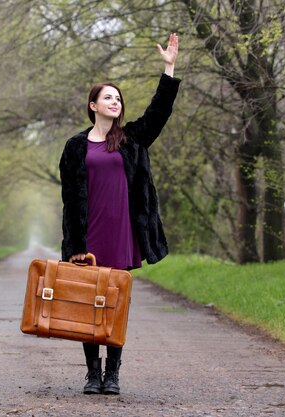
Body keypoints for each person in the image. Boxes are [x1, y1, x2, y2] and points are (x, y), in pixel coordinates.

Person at [59, 33, 180, 395]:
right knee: (87, 306)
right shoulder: (75, 147)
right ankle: (92, 375)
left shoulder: (130, 140)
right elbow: (69, 201)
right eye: (108, 97)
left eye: (118, 98)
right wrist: (74, 245)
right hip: (89, 238)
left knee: (114, 305)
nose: (115, 102)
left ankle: (112, 374)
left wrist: (169, 68)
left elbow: (159, 113)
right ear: (92, 105)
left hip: (122, 235)